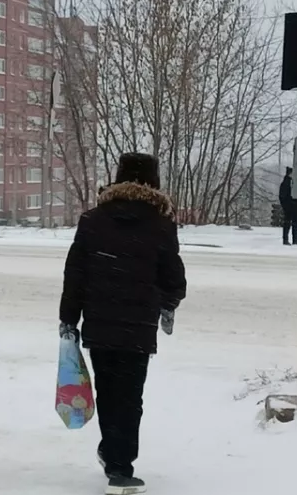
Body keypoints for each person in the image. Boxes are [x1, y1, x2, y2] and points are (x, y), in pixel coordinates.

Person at [59, 152, 187, 495]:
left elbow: (75, 275)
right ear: (153, 182)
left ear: (117, 179)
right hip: (137, 324)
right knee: (130, 395)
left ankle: (112, 453)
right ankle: (120, 466)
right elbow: (174, 277)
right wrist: (168, 304)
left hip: (99, 321)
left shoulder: (92, 220)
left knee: (108, 389)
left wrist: (68, 319)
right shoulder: (161, 225)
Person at [278, 167, 297, 246]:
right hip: (290, 207)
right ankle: (286, 239)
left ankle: (294, 239)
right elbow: (282, 196)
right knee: (288, 223)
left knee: (294, 223)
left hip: (294, 206)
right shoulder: (286, 183)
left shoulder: (293, 182)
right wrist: (286, 206)